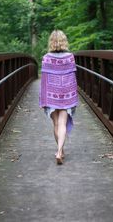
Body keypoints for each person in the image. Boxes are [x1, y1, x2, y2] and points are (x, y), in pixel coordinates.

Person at [39, 30, 78, 165]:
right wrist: (73, 96)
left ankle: (59, 151)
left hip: (51, 95)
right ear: (64, 41)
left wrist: (43, 99)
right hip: (66, 94)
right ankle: (60, 151)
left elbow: (43, 81)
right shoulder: (70, 57)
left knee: (56, 124)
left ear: (51, 42)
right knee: (62, 123)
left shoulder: (46, 58)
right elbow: (73, 79)